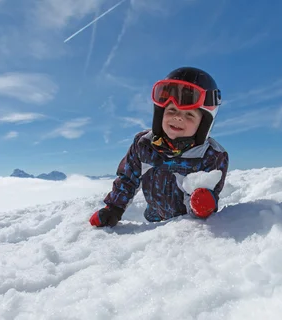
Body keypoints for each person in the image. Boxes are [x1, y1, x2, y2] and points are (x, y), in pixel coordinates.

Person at [90, 66, 229, 227]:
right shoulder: (144, 145)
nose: (177, 117)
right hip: (153, 221)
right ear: (160, 113)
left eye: (189, 114)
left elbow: (209, 198)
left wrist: (203, 205)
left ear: (203, 123)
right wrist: (113, 208)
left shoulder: (212, 156)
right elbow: (128, 179)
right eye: (171, 110)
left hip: (186, 227)